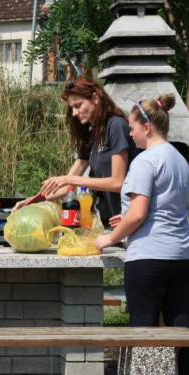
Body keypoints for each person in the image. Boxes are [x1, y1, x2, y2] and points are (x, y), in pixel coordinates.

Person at [95, 94, 189, 373]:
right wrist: (127, 218)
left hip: (148, 257)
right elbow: (169, 207)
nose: (131, 134)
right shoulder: (181, 160)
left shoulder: (145, 161)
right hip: (182, 255)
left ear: (146, 128)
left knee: (144, 331)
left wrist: (110, 237)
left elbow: (138, 214)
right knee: (182, 330)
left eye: (133, 128)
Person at [13, 77, 138, 228]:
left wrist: (69, 179)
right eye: (72, 107)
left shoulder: (116, 126)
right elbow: (68, 184)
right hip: (110, 221)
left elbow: (117, 182)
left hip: (128, 221)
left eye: (78, 106)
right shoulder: (93, 132)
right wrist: (32, 200)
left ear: (95, 98)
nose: (73, 113)